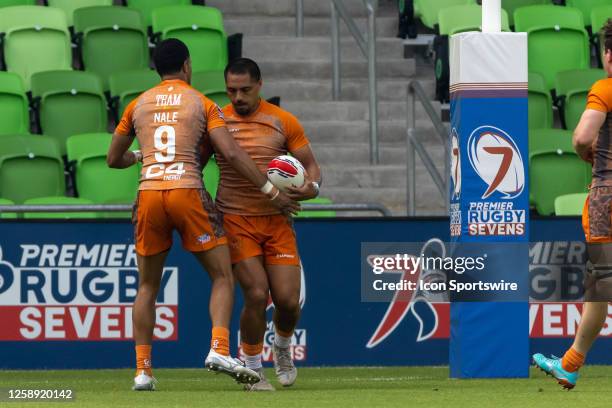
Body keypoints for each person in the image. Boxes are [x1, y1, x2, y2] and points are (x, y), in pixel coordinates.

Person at [106, 39, 299, 391]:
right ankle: (219, 349)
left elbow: (112, 158)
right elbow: (233, 154)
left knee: (147, 285)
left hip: (149, 193)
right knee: (222, 277)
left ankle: (143, 371)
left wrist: (138, 156)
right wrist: (271, 191)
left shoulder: (137, 104)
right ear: (187, 66)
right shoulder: (204, 103)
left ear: (156, 69)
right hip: (187, 191)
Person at [215, 58, 322, 391]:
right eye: (231, 90)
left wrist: (312, 188)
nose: (237, 97)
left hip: (277, 221)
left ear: (259, 85)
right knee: (257, 293)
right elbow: (195, 160)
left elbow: (312, 168)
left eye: (245, 90)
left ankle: (282, 345)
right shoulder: (217, 121)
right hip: (235, 220)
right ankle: (251, 369)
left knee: (289, 302)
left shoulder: (282, 121)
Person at [533, 19, 612, 390]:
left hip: (608, 198)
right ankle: (569, 362)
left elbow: (582, 136)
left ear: (608, 54)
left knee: (601, 285)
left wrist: (587, 153)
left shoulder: (605, 89)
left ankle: (570, 364)